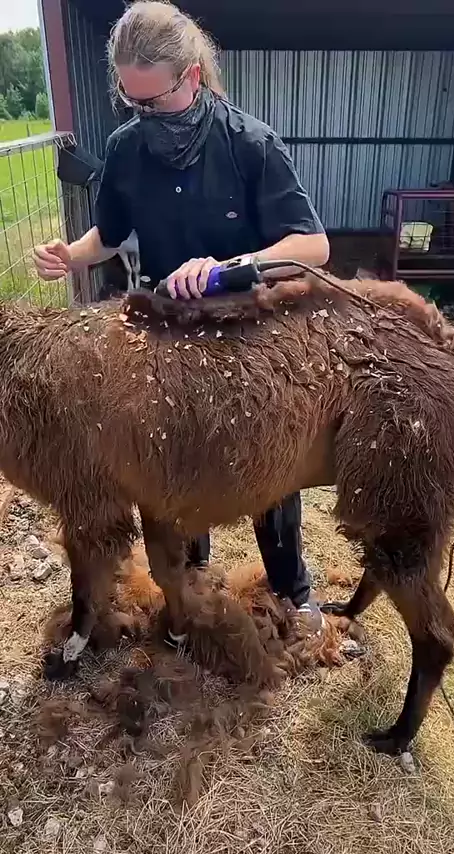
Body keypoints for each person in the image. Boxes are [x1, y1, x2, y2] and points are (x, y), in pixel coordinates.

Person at [33, 0, 330, 637]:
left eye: (154, 100)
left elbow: (312, 245)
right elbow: (109, 234)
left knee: (266, 464)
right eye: (130, 100)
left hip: (250, 331)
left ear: (191, 77)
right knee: (176, 459)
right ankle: (190, 579)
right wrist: (71, 255)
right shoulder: (125, 148)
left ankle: (291, 588)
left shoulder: (250, 144)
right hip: (169, 333)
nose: (142, 113)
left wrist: (231, 265)